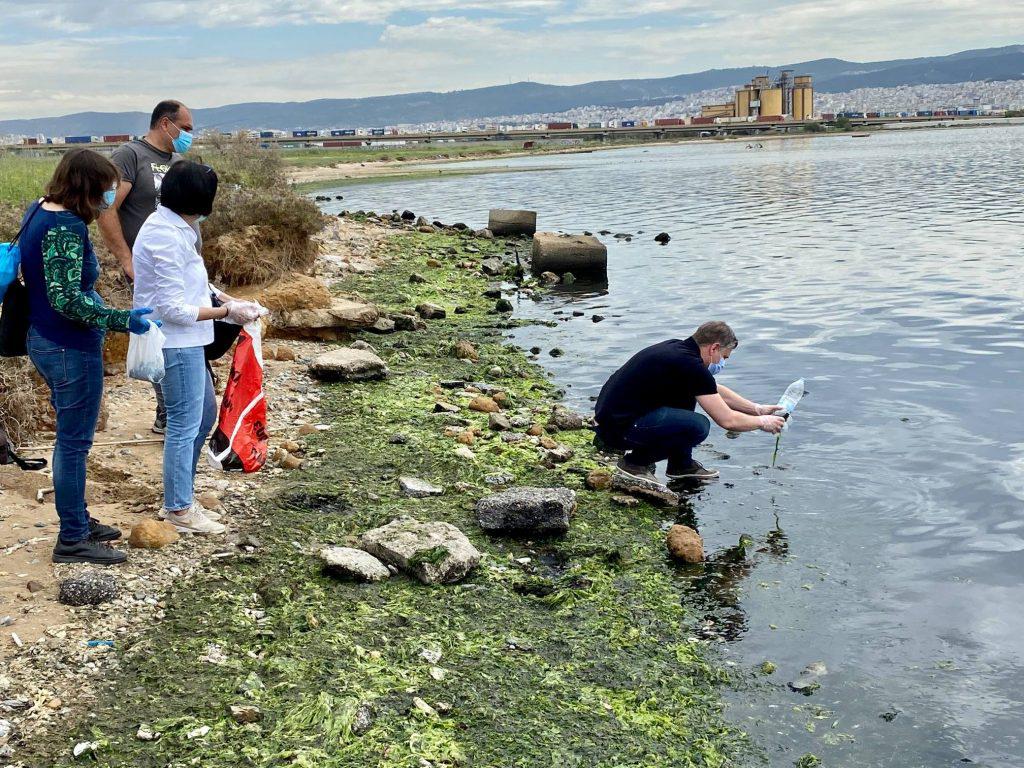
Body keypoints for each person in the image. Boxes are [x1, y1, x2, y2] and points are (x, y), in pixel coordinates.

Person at [18, 149, 158, 564]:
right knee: (74, 443)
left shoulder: (40, 209)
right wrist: (121, 319)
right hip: (66, 344)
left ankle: (78, 518)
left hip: (47, 338)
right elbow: (65, 299)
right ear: (86, 187)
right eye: (106, 188)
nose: (111, 196)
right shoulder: (63, 226)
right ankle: (73, 539)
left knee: (72, 439)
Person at [132, 161, 261, 534]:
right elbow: (174, 308)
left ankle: (181, 495)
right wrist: (226, 311)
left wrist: (226, 297)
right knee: (185, 424)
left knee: (203, 416)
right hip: (174, 342)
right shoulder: (165, 235)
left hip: (190, 341)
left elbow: (192, 285)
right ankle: (179, 507)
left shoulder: (177, 226)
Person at [98, 99, 195, 435]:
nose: (188, 135)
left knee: (182, 336)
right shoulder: (131, 156)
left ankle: (176, 410)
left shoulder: (178, 160)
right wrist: (126, 260)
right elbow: (107, 210)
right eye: (185, 128)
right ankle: (168, 415)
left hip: (182, 264)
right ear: (165, 123)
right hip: (147, 267)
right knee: (161, 337)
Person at [595, 321, 785, 483]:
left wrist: (757, 409)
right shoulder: (689, 365)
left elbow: (712, 389)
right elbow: (728, 421)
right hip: (618, 430)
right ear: (714, 348)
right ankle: (635, 463)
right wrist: (763, 423)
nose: (722, 362)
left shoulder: (677, 350)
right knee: (698, 426)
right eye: (724, 357)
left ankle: (680, 464)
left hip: (610, 421)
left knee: (686, 396)